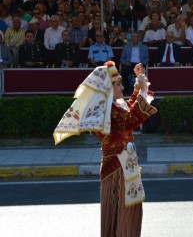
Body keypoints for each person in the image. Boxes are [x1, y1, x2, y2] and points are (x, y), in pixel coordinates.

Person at [54, 61, 157, 237]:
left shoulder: (113, 105)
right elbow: (128, 121)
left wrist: (138, 89)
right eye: (118, 84)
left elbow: (128, 109)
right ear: (108, 87)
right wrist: (142, 91)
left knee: (128, 214)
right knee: (124, 215)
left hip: (125, 166)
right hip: (117, 169)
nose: (122, 87)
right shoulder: (106, 110)